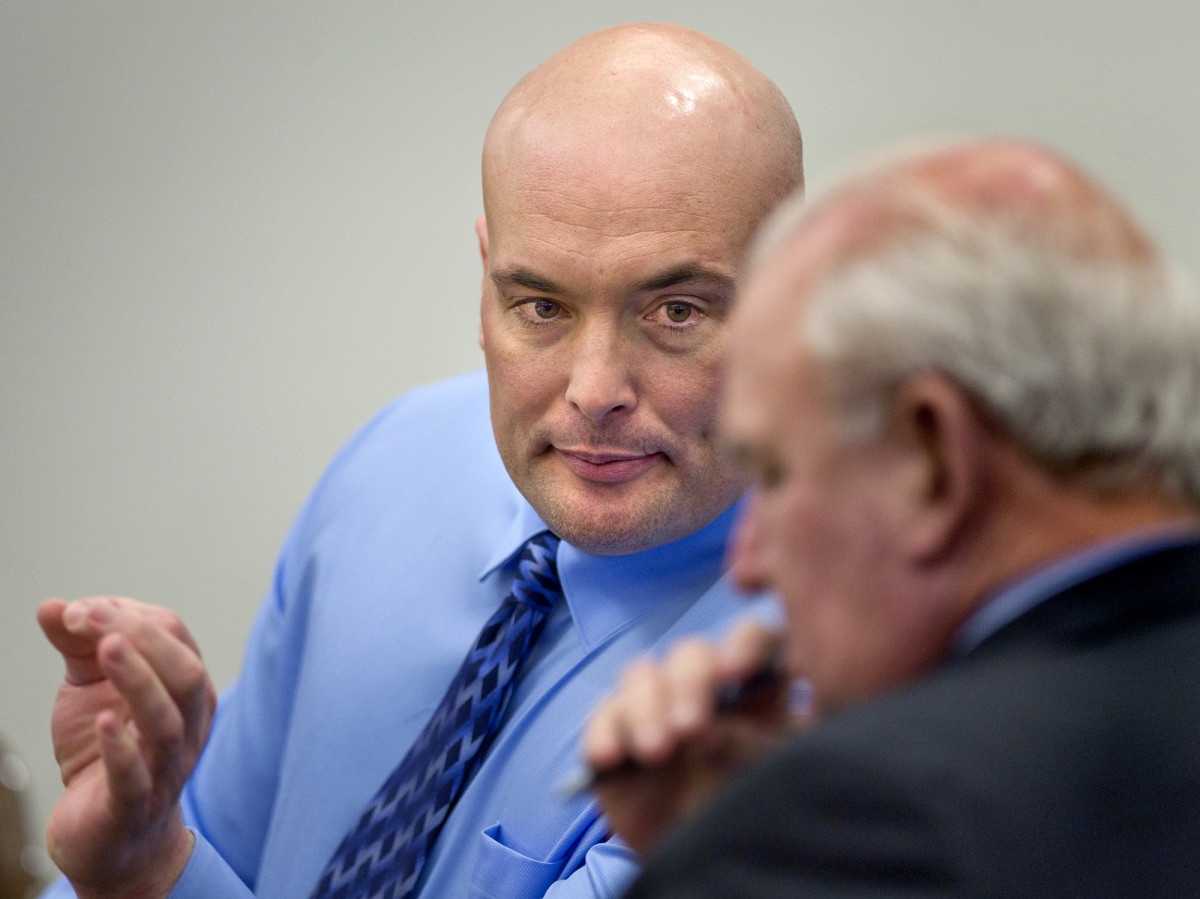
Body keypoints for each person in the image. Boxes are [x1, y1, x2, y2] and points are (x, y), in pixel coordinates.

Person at [34, 22, 804, 899]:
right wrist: (130, 830)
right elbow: (206, 830)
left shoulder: (811, 683)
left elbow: (164, 863)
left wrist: (147, 873)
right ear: (486, 283)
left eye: (674, 312)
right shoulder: (396, 464)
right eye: (541, 305)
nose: (594, 390)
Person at [583, 137, 1200, 896]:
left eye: (774, 473)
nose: (750, 563)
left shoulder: (850, 826)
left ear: (933, 458)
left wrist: (735, 848)